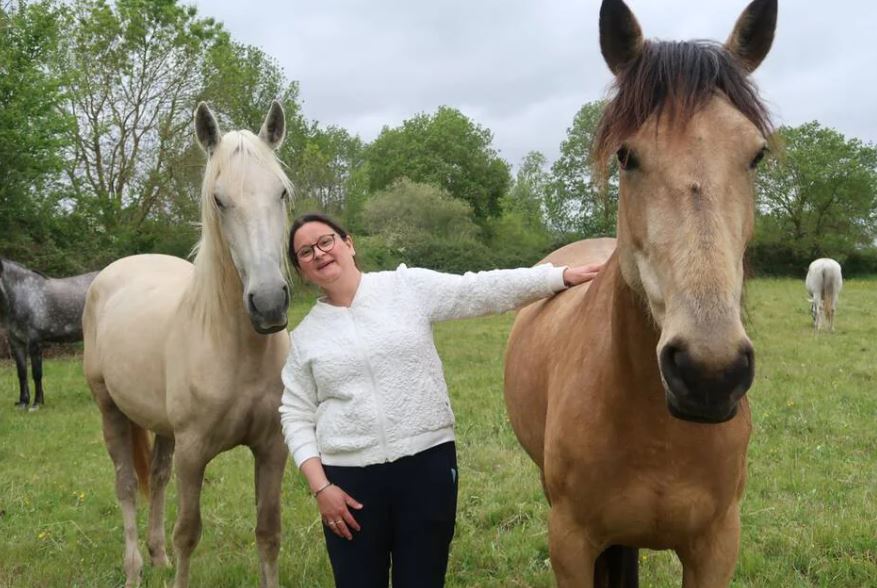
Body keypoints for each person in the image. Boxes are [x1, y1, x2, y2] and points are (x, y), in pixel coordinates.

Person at [278, 212, 602, 588]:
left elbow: (479, 290)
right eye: (305, 252)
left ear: (348, 244)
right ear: (301, 270)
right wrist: (322, 488)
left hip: (426, 469)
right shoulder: (305, 337)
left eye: (325, 241)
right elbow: (295, 414)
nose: (318, 253)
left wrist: (557, 277)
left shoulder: (405, 287)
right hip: (349, 488)